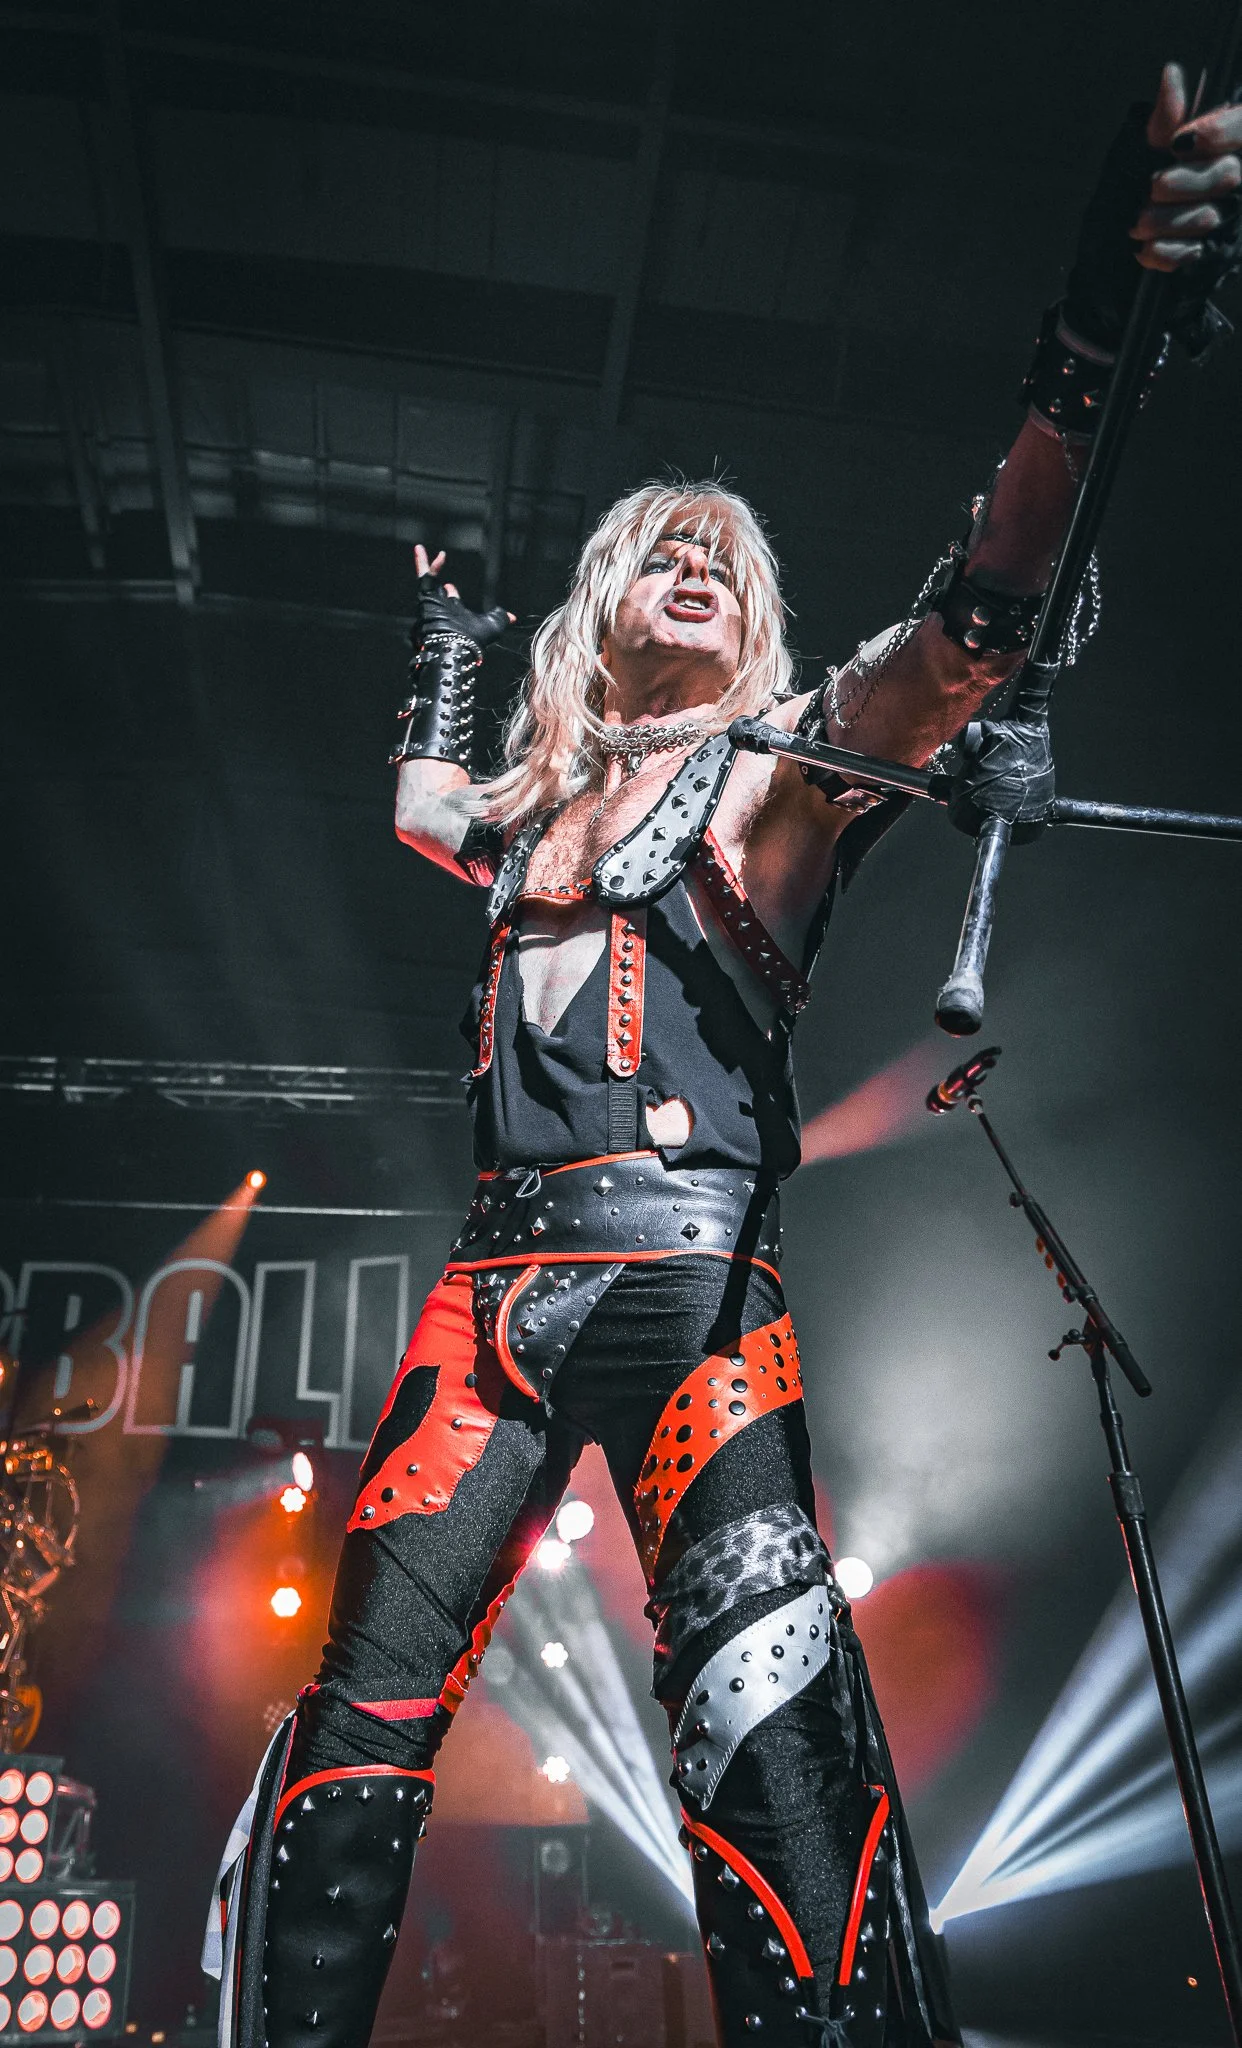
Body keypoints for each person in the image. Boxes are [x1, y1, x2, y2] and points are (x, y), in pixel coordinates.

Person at [205, 66, 1242, 2048]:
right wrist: (451, 635)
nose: (690, 554)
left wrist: (1092, 342)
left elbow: (965, 629)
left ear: (749, 614)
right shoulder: (526, 821)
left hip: (691, 1297)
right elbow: (429, 792)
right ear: (610, 603)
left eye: (720, 549)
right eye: (657, 542)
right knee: (351, 1730)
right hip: (480, 1314)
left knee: (773, 1748)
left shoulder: (777, 771)